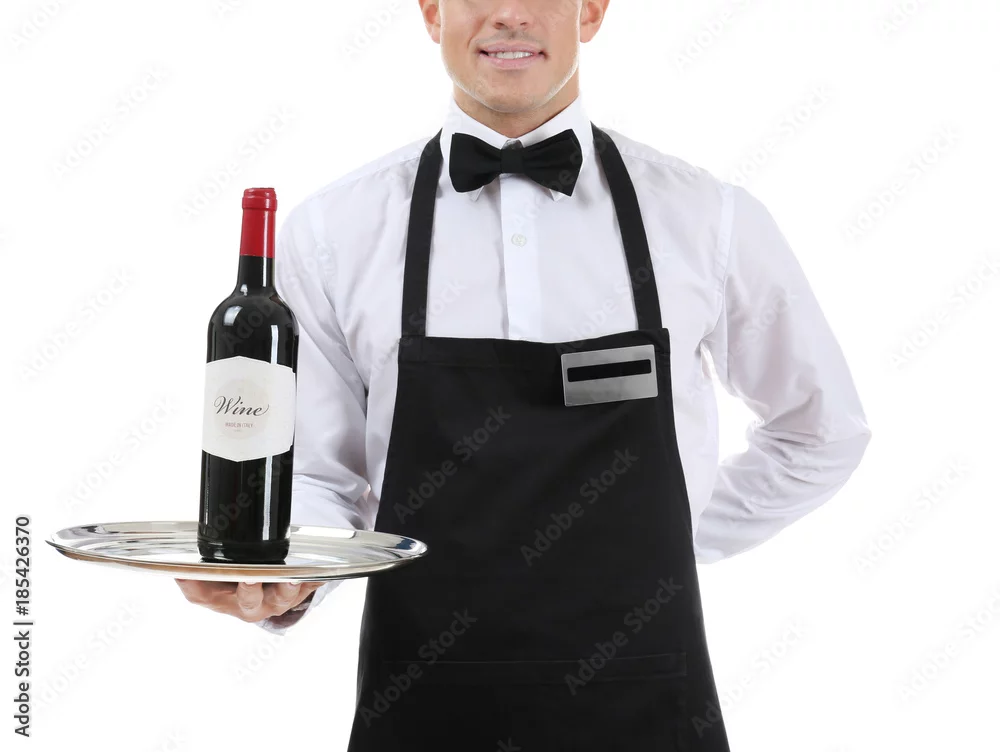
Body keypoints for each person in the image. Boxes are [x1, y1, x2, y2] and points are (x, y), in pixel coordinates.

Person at [177, 0, 872, 748]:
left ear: (592, 10)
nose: (510, 13)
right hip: (423, 706)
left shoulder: (710, 219)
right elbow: (321, 475)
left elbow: (820, 433)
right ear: (432, 12)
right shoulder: (332, 232)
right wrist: (285, 576)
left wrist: (668, 534)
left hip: (647, 701)